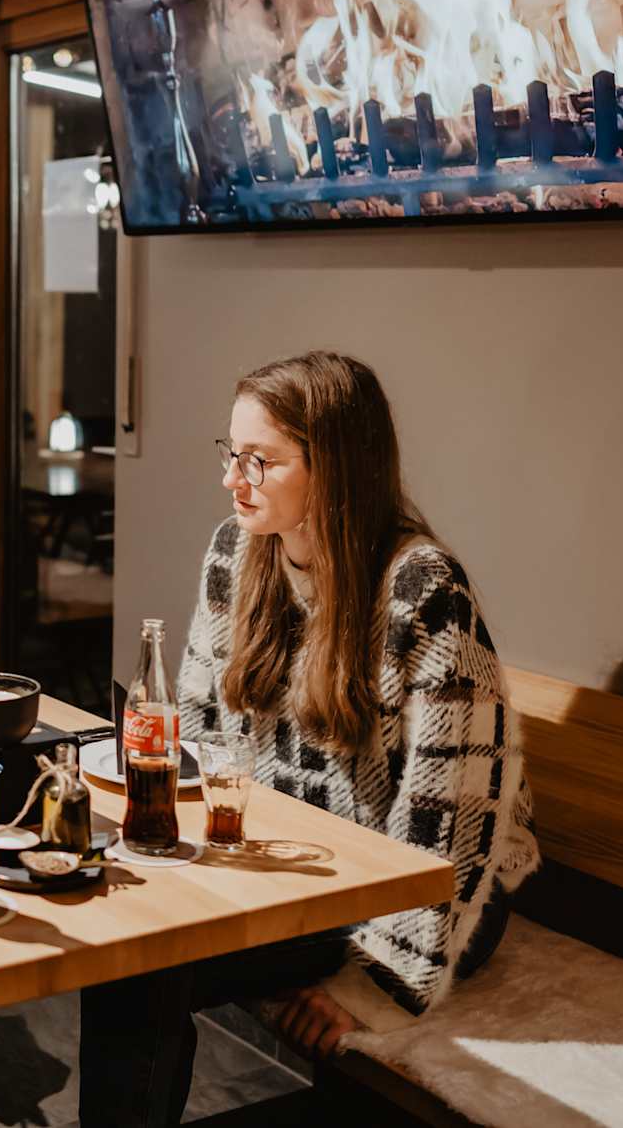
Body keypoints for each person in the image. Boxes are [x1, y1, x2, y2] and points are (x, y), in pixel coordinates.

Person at [81, 350, 539, 1126]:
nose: (232, 479)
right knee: (126, 945)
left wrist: (376, 985)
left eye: (259, 461)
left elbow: (455, 826)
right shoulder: (236, 552)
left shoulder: (424, 590)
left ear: (335, 469)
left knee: (145, 971)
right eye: (231, 452)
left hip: (432, 886)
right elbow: (198, 724)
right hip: (314, 861)